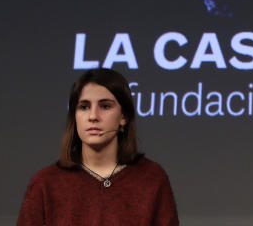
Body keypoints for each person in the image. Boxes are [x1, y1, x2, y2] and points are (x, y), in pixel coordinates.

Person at [17, 68, 179, 226]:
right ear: (75, 116)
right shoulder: (45, 183)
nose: (93, 116)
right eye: (84, 107)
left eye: (105, 106)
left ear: (124, 116)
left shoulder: (151, 178)